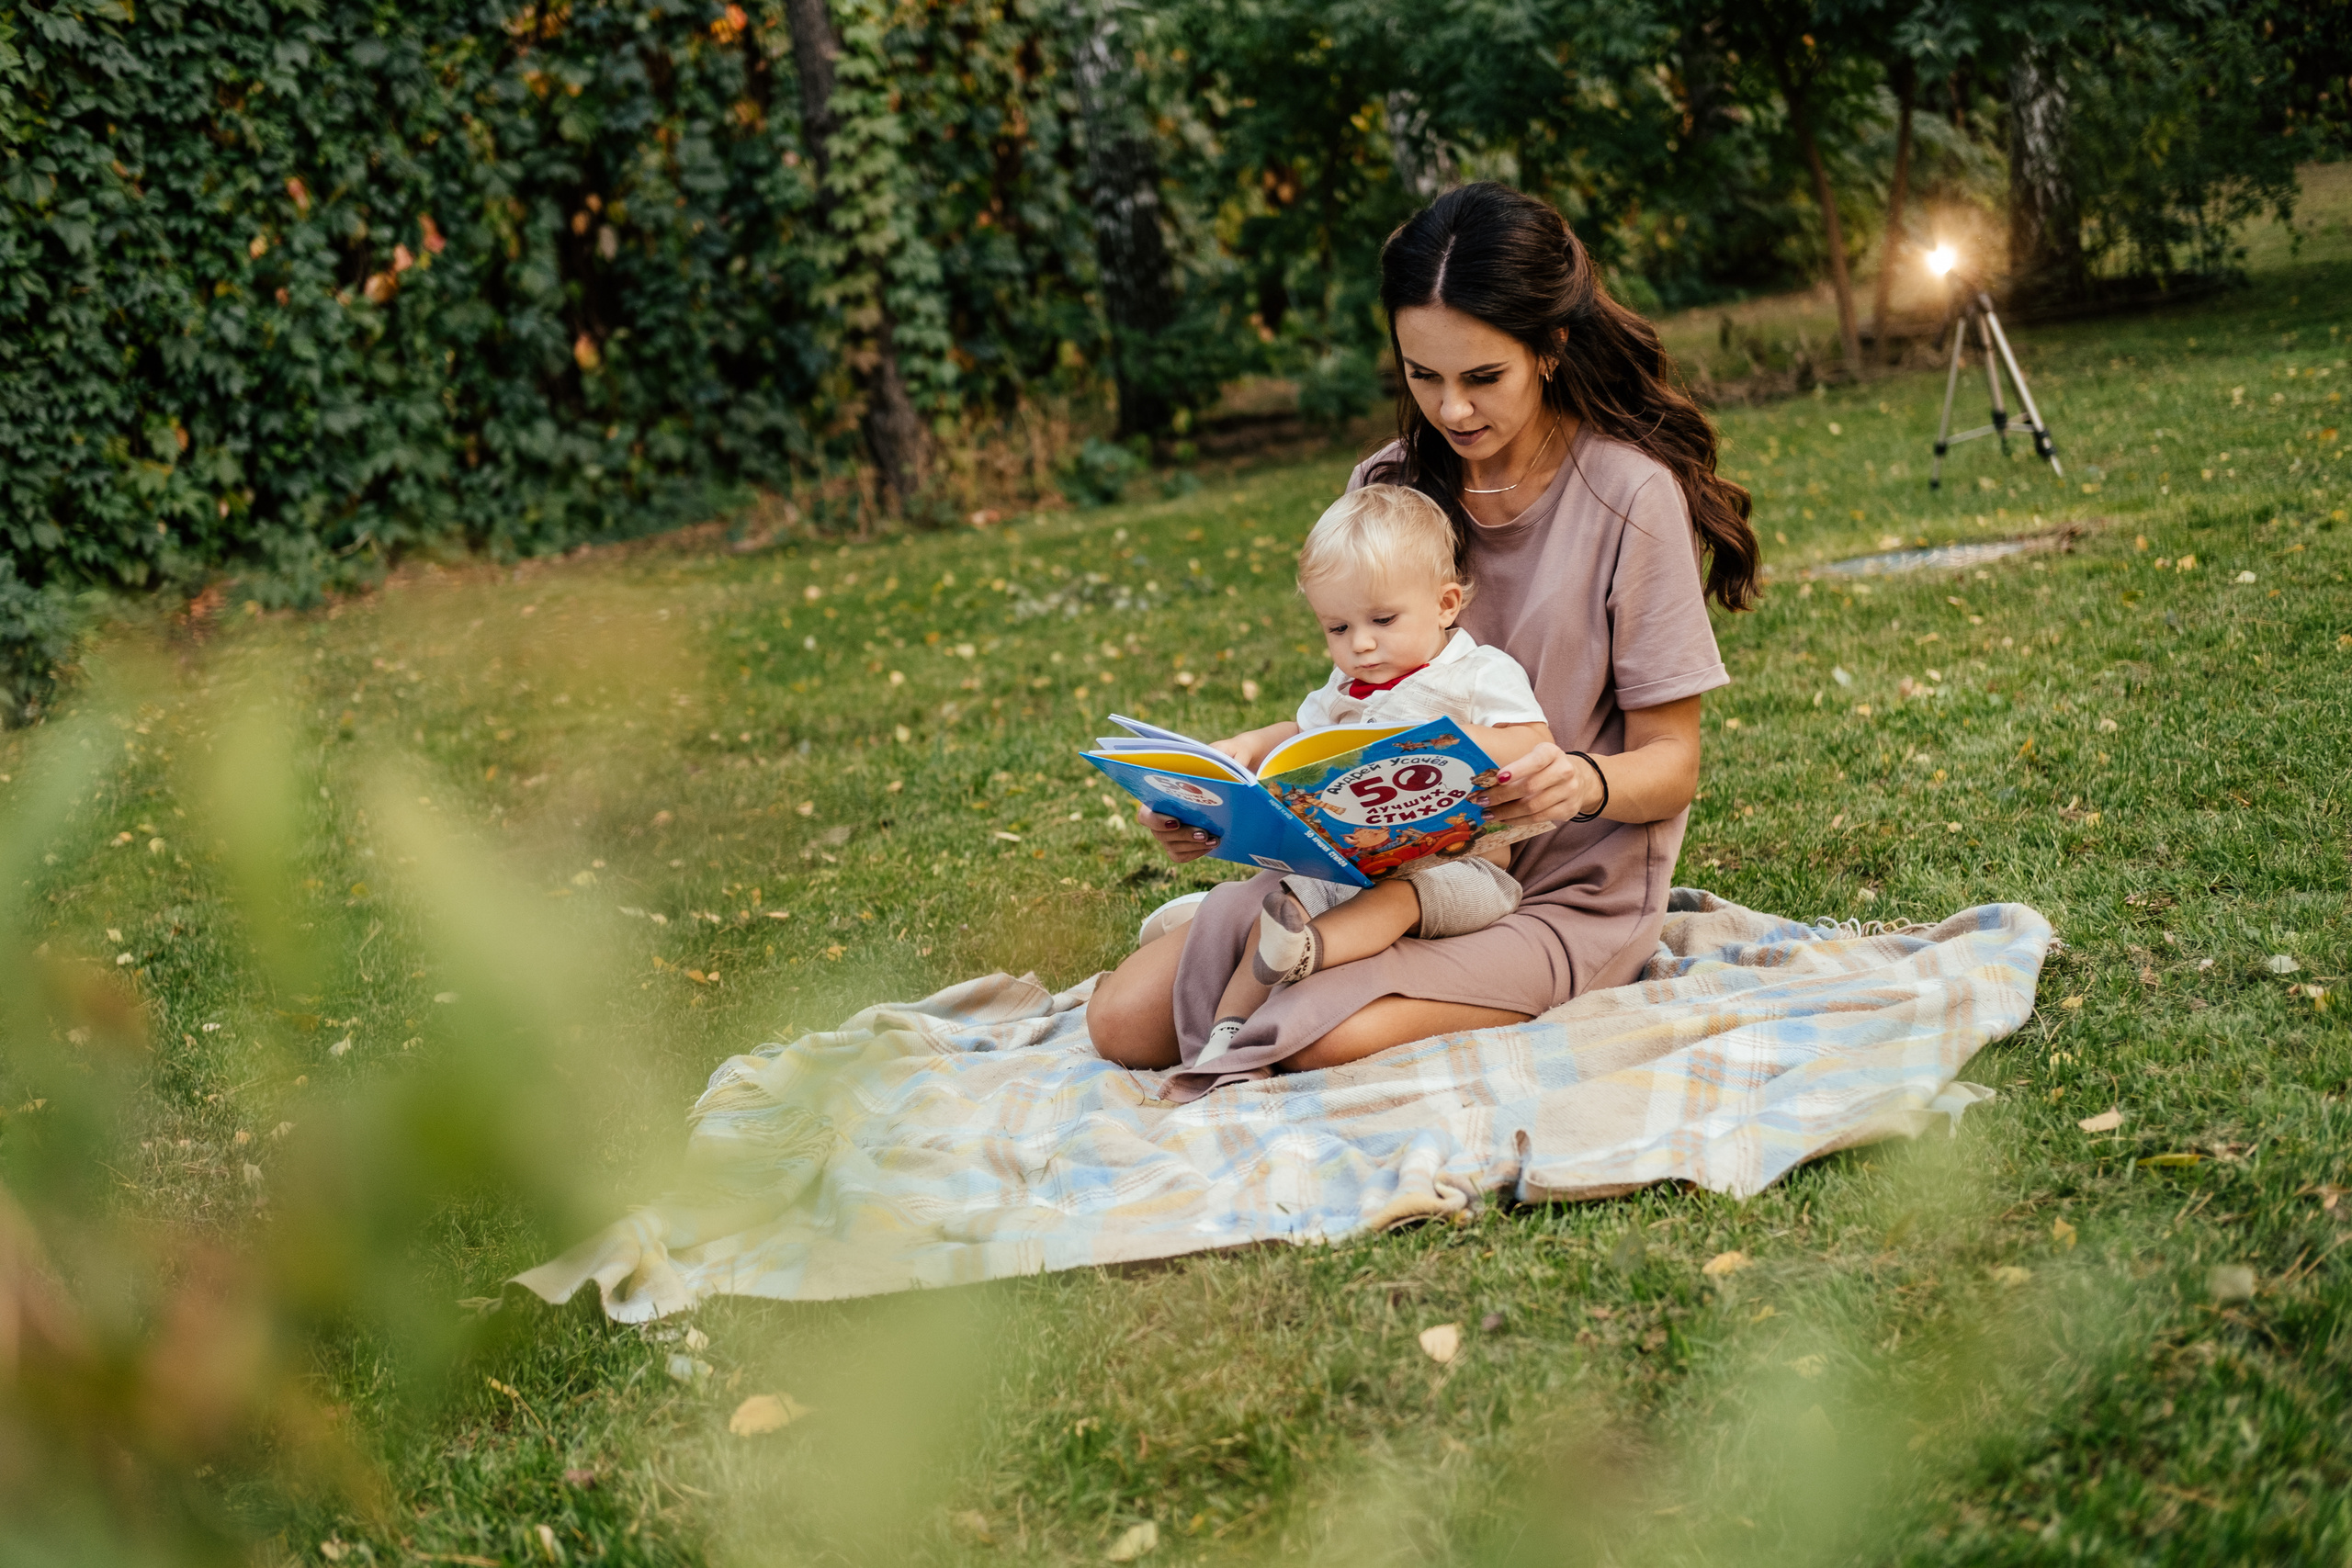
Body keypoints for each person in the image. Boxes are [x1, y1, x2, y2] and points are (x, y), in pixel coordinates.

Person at [1089, 181, 1760, 1102]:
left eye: (1482, 378)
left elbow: (1671, 763)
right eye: (1422, 375)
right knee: (1118, 1026)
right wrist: (1223, 792)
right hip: (1365, 878)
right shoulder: (1389, 487)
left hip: (1553, 894)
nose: (1450, 410)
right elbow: (1366, 702)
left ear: (1550, 349)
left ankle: (1306, 964)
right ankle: (1254, 931)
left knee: (1320, 1040)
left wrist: (1583, 779)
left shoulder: (1629, 496)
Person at [1194, 481, 1559, 1070]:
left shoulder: (1476, 674)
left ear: (1445, 605)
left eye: (1382, 620)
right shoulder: (1346, 690)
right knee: (1288, 897)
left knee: (1397, 895)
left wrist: (1415, 746)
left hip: (1465, 871)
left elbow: (1534, 744)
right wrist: (1248, 747)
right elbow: (1300, 736)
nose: (1360, 645)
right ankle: (1225, 1036)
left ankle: (1309, 953)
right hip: (1356, 866)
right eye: (1337, 629)